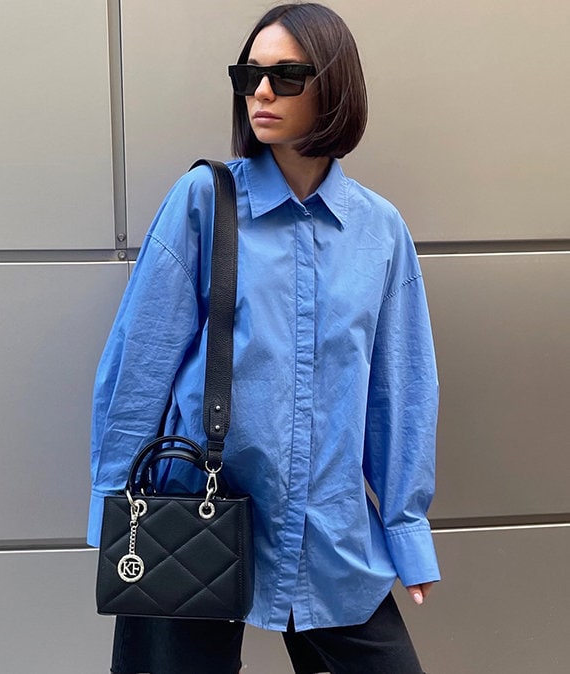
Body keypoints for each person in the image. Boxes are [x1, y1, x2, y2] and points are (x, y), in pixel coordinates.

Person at [88, 3, 440, 673]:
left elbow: (402, 391)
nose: (262, 92)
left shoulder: (379, 231)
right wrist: (116, 510)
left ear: (334, 86)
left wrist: (404, 527)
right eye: (250, 75)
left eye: (286, 75)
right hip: (192, 515)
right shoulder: (204, 200)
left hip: (328, 530)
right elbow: (140, 362)